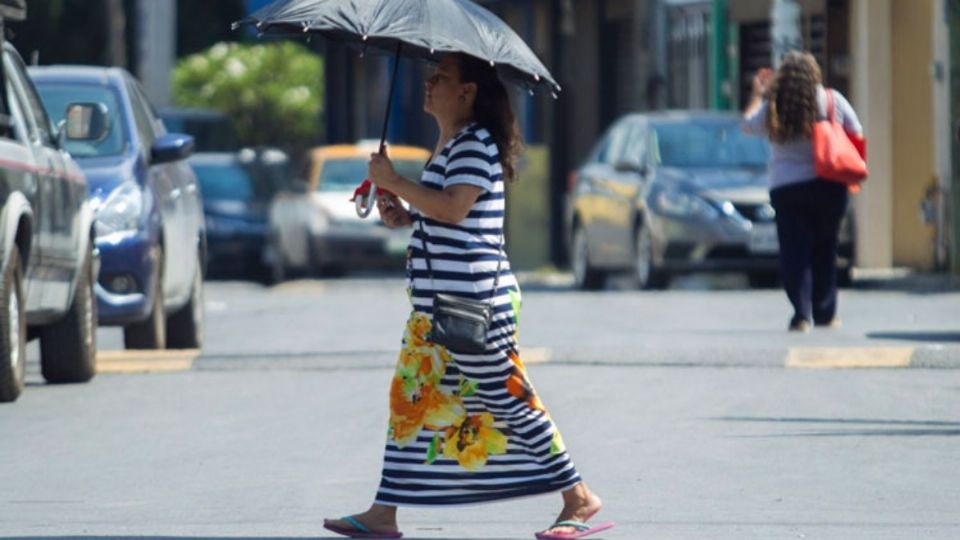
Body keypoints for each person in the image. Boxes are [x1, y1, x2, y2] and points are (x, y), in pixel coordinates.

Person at [323, 53, 613, 540]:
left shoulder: (475, 143)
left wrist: (396, 181)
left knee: (510, 397)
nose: (429, 82)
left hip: (473, 304)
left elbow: (456, 209)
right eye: (430, 75)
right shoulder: (451, 143)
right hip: (436, 308)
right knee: (409, 403)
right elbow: (442, 214)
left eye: (442, 77)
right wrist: (402, 211)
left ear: (468, 93)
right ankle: (384, 512)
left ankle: (579, 498)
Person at [742, 51, 863, 333]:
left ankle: (800, 314)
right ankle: (826, 313)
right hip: (829, 185)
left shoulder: (774, 104)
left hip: (787, 189)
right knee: (825, 249)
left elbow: (748, 125)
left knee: (794, 253)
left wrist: (758, 94)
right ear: (815, 74)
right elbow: (856, 131)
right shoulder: (831, 100)